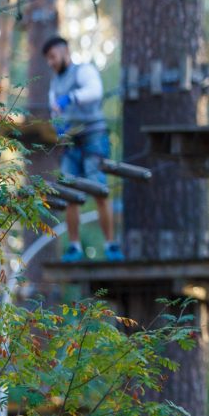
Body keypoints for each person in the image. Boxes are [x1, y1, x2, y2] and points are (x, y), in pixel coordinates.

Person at [43, 36, 123, 262]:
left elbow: (95, 91)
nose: (50, 62)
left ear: (64, 52)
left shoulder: (83, 71)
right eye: (48, 59)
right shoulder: (55, 83)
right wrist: (58, 127)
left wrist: (72, 97)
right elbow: (55, 109)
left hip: (94, 135)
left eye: (53, 57)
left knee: (99, 188)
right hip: (71, 140)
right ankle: (75, 247)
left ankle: (110, 244)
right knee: (69, 192)